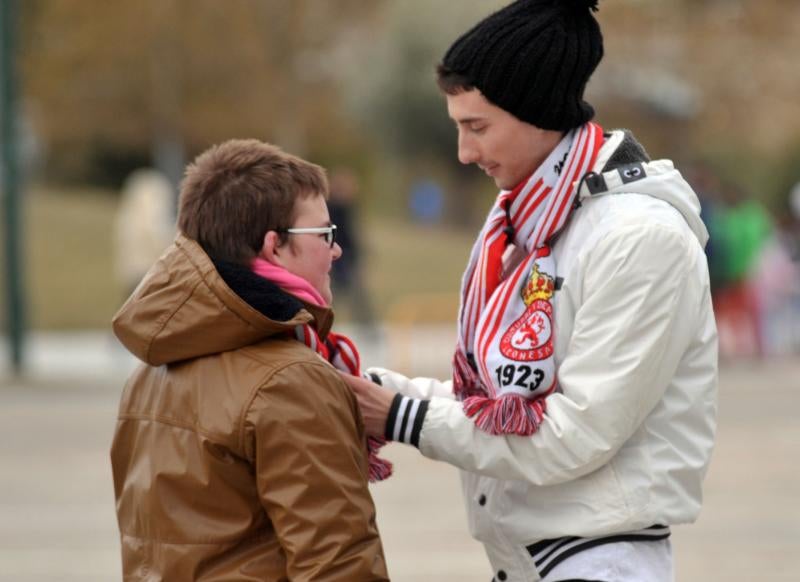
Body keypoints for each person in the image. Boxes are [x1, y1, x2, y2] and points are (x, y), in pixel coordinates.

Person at [343, 1, 718, 580]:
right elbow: (500, 399)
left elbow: (575, 434)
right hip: (529, 559)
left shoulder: (640, 237)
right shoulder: (528, 216)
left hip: (596, 559)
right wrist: (376, 391)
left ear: (539, 114)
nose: (465, 153)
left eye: (477, 127)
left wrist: (403, 417)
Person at [110, 139, 390, 581]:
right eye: (324, 234)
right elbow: (338, 564)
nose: (336, 250)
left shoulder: (150, 371)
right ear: (273, 246)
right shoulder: (291, 380)